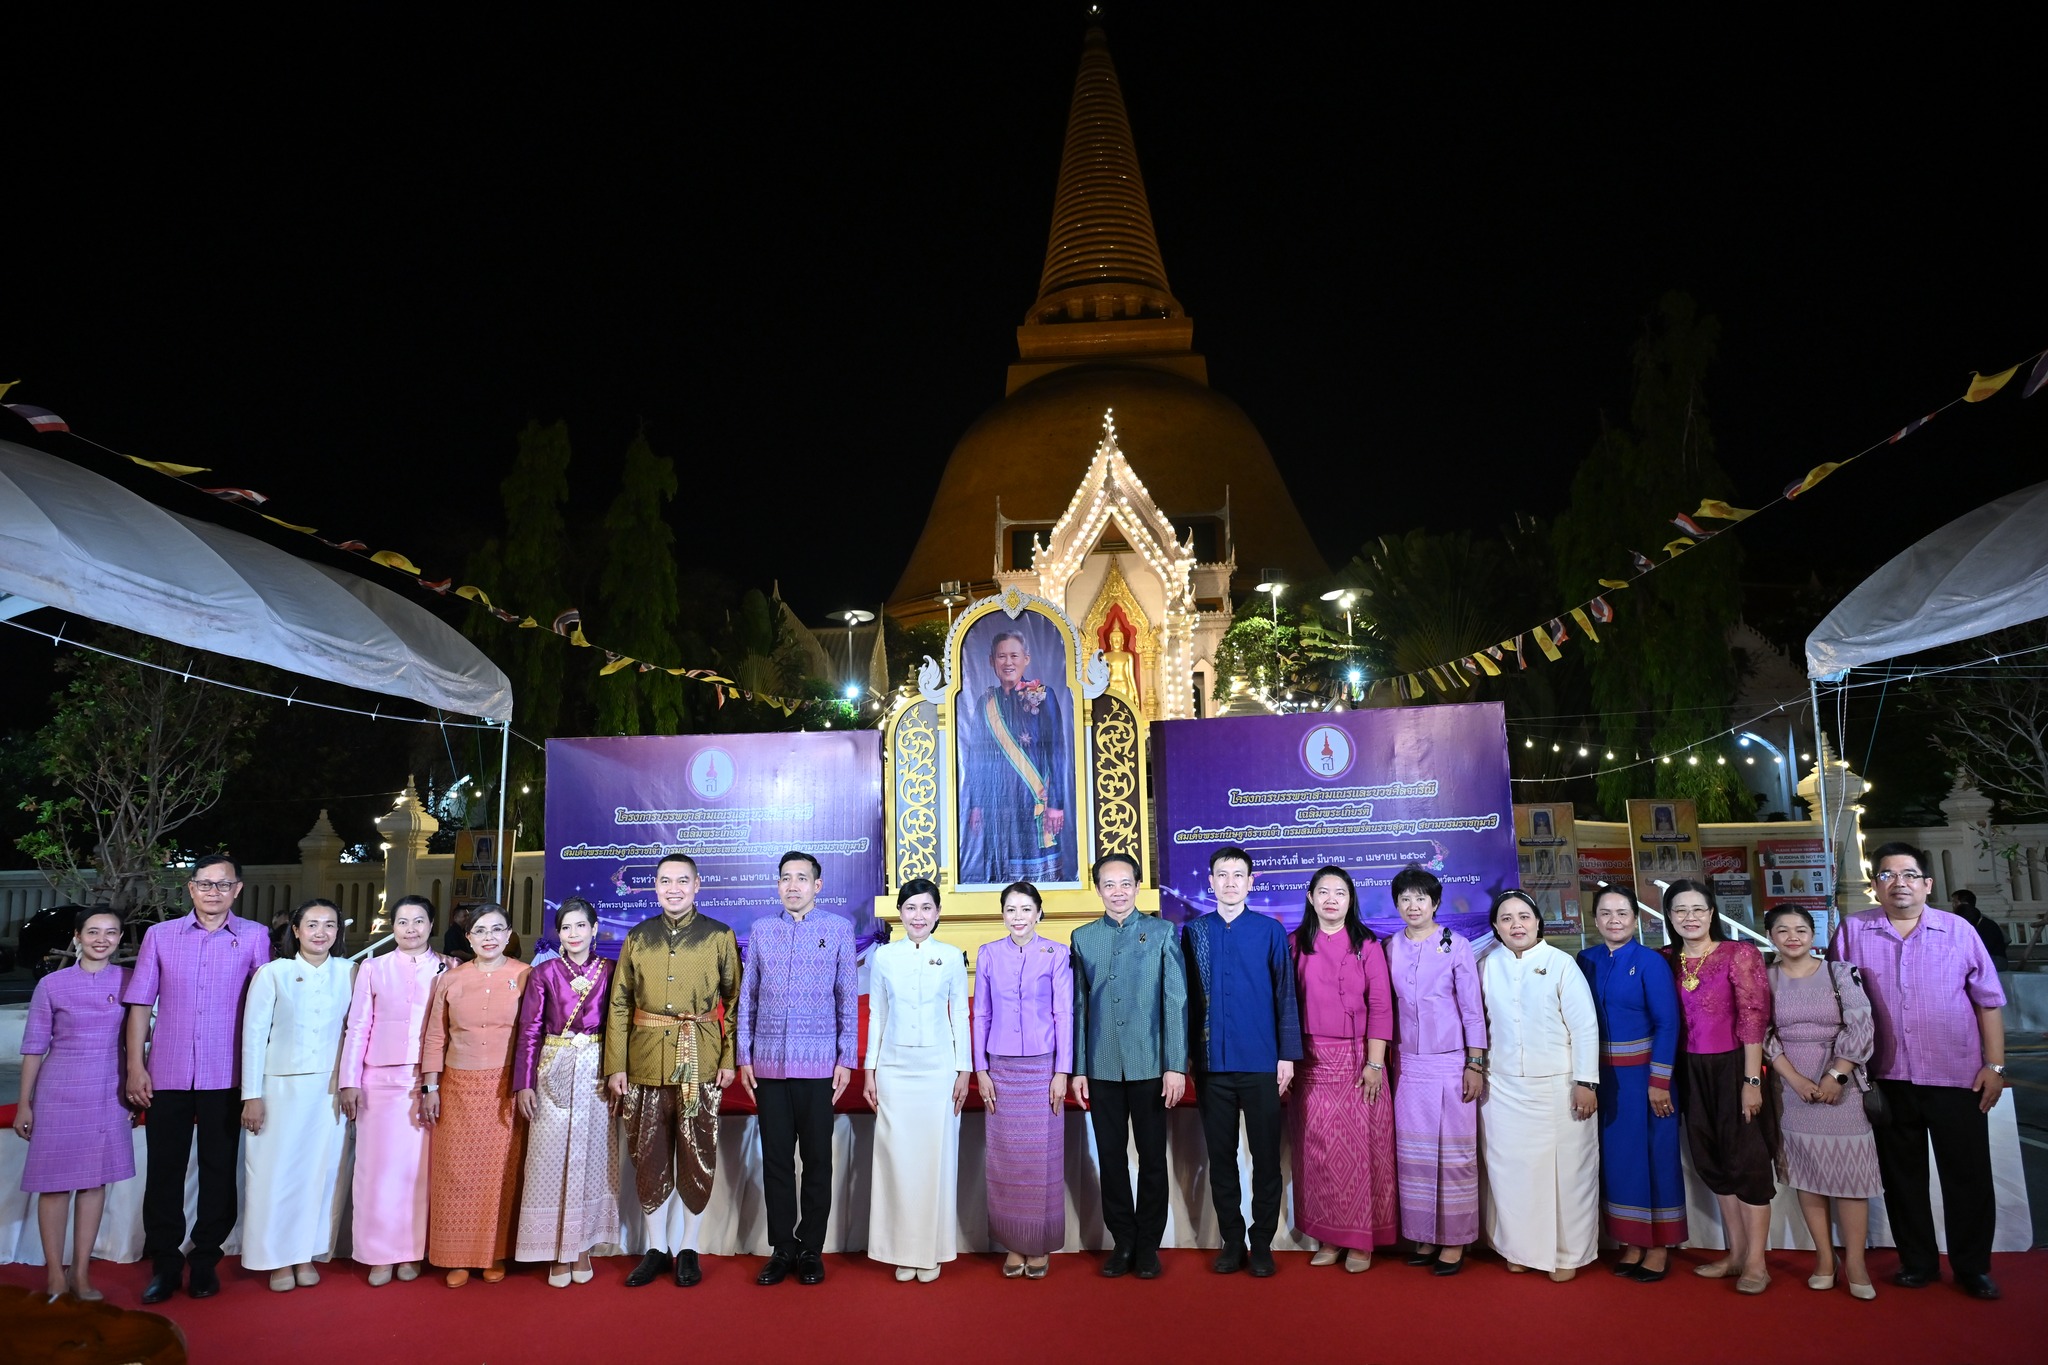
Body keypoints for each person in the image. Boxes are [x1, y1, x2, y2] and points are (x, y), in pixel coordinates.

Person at [1835, 841, 2008, 1300]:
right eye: (1888, 875)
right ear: (1876, 885)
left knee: (1967, 1175)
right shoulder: (1853, 931)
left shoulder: (1958, 931)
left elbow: (1989, 1003)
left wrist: (1994, 1066)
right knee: (1901, 1175)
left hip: (1957, 1076)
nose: (1899, 884)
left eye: (1909, 875)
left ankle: (1973, 1268)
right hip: (1887, 1077)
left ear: (1927, 884)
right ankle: (1918, 1262)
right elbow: (1837, 999)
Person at [122, 853, 272, 1304]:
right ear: (190, 888)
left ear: (237, 890)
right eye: (205, 884)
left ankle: (205, 1260)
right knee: (164, 1171)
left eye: (223, 884)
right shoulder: (160, 936)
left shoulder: (254, 938)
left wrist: (256, 1084)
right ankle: (165, 1264)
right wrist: (135, 1065)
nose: (214, 892)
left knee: (219, 1170)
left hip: (227, 1076)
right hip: (165, 1074)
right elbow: (140, 1005)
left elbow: (264, 1010)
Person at [605, 852, 740, 1289]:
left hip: (699, 1061)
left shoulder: (719, 937)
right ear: (656, 887)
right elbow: (620, 1003)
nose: (674, 888)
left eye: (683, 881)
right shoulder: (638, 938)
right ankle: (656, 1248)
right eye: (666, 881)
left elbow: (734, 1003)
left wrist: (727, 1058)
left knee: (696, 1153)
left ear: (698, 885)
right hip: (644, 1062)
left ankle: (688, 1248)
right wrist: (616, 1065)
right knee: (649, 1156)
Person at [738, 850, 858, 1287]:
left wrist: (847, 1058)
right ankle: (782, 1247)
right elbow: (746, 997)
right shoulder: (762, 931)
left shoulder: (839, 929)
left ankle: (811, 1248)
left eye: (801, 879)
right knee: (775, 1162)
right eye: (785, 878)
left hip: (819, 1064)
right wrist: (744, 1056)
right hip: (769, 1065)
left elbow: (847, 997)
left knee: (817, 1161)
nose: (793, 886)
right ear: (778, 885)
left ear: (817, 885)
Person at [1180, 845, 1301, 1278]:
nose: (1230, 882)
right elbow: (1186, 1002)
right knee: (1222, 1156)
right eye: (1222, 875)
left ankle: (1263, 1241)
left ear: (1251, 883)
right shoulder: (1194, 933)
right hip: (1212, 1065)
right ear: (1210, 882)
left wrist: (1287, 1055)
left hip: (1261, 1062)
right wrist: (1186, 1057)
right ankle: (1232, 1240)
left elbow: (1286, 994)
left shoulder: (1270, 931)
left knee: (1267, 1157)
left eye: (1238, 875)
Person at [1069, 852, 1187, 1280]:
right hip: (1101, 1067)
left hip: (1151, 1065)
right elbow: (1079, 1007)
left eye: (1125, 884)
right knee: (1112, 1158)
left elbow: (1175, 1002)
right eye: (1108, 885)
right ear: (1098, 889)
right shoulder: (1083, 938)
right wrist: (1078, 1067)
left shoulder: (1161, 932)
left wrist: (1175, 1065)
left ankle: (1148, 1245)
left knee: (1153, 1158)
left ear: (1138, 887)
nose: (1117, 892)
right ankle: (1123, 1241)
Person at [1479, 889, 1601, 1281]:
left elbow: (1584, 1027)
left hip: (1559, 1086)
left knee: (1568, 1174)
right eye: (1507, 918)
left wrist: (1585, 1081)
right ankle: (1521, 1250)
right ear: (1495, 927)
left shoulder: (1561, 963)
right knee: (1512, 1174)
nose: (1516, 925)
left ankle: (1568, 1255)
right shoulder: (1486, 965)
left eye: (1524, 917)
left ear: (1537, 922)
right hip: (1502, 1088)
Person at [12, 908, 131, 1301]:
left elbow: (138, 1040)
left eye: (110, 933)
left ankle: (81, 1273)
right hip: (59, 1090)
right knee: (55, 1185)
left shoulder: (130, 981)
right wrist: (24, 1104)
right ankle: (54, 1274)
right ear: (77, 937)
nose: (102, 939)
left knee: (94, 1182)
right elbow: (33, 1047)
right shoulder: (52, 985)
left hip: (109, 1090)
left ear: (119, 939)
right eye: (93, 932)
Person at [1665, 878, 1777, 1294]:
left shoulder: (1738, 954)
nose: (1690, 917)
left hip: (1734, 1067)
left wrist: (1752, 1080)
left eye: (1698, 909)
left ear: (1712, 913)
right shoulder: (1670, 961)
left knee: (1746, 1159)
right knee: (1711, 1159)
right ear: (1670, 917)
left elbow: (1753, 1018)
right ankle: (1734, 1253)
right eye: (1680, 910)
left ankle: (1757, 1263)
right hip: (1689, 1071)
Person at [1764, 905, 1881, 1301]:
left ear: (1814, 934)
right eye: (1783, 930)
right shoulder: (1765, 979)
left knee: (1850, 1178)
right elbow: (1762, 1034)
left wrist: (1837, 1074)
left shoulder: (1839, 972)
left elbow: (1861, 1023)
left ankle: (1857, 1264)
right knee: (1807, 1175)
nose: (1792, 936)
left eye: (1801, 929)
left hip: (1841, 1086)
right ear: (1770, 936)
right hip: (1792, 1088)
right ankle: (1824, 1259)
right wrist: (1793, 1079)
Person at [239, 898, 356, 1292]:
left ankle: (307, 1254)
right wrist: (251, 1095)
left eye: (329, 925)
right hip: (279, 1087)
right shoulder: (274, 973)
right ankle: (275, 1258)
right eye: (312, 925)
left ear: (338, 932)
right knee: (274, 1175)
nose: (320, 932)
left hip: (329, 1091)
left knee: (320, 1175)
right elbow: (253, 1037)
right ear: (295, 930)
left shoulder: (351, 972)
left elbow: (356, 1034)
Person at [338, 893, 451, 1286]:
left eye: (418, 921)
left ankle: (411, 1252)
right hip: (379, 1081)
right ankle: (378, 1254)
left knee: (418, 1172)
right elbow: (357, 1028)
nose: (410, 929)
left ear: (431, 926)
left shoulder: (447, 968)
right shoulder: (373, 968)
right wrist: (349, 1080)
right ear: (393, 927)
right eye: (402, 922)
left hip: (428, 1081)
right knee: (376, 1171)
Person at [1288, 865, 1395, 1273]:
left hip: (1359, 1063)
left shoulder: (1367, 945)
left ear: (1351, 901)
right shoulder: (1295, 944)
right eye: (1324, 892)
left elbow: (1382, 1007)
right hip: (1310, 1062)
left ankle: (1361, 1242)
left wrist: (1374, 1062)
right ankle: (1328, 1237)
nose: (1332, 899)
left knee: (1361, 1151)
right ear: (1311, 897)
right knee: (1317, 1154)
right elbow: (1284, 1007)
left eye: (1341, 893)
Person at [419, 903, 532, 1287]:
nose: (489, 938)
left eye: (497, 930)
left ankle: (494, 1254)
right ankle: (458, 1256)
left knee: (499, 1174)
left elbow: (532, 1037)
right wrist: (430, 1086)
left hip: (505, 1086)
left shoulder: (525, 975)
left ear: (509, 934)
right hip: (457, 1086)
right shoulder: (451, 979)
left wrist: (525, 1084)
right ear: (468, 937)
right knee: (458, 1174)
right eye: (480, 931)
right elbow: (436, 1035)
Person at [864, 879, 971, 1282]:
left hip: (939, 1070)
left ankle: (932, 1250)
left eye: (927, 908)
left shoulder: (950, 957)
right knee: (898, 1162)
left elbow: (960, 1014)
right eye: (911, 908)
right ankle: (901, 1250)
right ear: (900, 914)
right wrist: (870, 1071)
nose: (919, 916)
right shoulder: (885, 958)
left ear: (938, 913)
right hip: (894, 1070)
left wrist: (964, 1069)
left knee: (935, 1159)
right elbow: (878, 1015)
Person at [1576, 885, 1685, 1282]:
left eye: (1622, 913)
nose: (1613, 920)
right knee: (1619, 1161)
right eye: (1605, 913)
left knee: (1655, 1157)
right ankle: (1630, 1241)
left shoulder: (1651, 962)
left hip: (1647, 1078)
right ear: (1595, 918)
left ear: (1636, 919)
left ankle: (1658, 1245)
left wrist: (1660, 1081)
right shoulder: (1584, 960)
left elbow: (1668, 1023)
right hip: (1602, 1079)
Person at [1382, 865, 1487, 1274]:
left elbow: (1472, 1011)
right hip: (1408, 1065)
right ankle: (1424, 1235)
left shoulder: (1456, 945)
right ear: (1396, 903)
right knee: (1415, 1157)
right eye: (1405, 898)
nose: (1413, 905)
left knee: (1455, 1156)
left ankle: (1456, 1240)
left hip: (1451, 1063)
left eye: (1421, 898)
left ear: (1436, 902)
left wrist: (1475, 1063)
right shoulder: (1390, 946)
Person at [512, 898, 617, 1288]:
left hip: (596, 1070)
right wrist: (523, 1082)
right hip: (553, 1068)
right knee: (548, 1157)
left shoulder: (610, 971)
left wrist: (616, 1073)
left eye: (580, 926)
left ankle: (582, 1244)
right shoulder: (545, 974)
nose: (573, 934)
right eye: (566, 928)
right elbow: (528, 1031)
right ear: (559, 933)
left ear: (595, 928)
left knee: (593, 1156)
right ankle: (555, 1248)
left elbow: (619, 1026)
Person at [973, 881, 1074, 1278]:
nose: (1018, 917)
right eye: (1011, 910)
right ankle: (1014, 1244)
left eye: (1025, 909)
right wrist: (981, 1069)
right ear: (1003, 914)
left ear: (1039, 913)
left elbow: (1063, 1014)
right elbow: (980, 1014)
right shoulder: (988, 955)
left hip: (1042, 1068)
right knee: (1007, 1160)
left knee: (1042, 1161)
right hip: (1000, 1067)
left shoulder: (1056, 953)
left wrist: (1061, 1071)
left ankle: (1039, 1244)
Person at [960, 629, 1074, 883]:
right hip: (998, 804)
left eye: (1014, 655)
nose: (1008, 662)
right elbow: (975, 758)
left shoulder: (1044, 696)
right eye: (1001, 656)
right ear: (992, 661)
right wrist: (976, 804)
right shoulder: (985, 703)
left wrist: (1056, 803)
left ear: (1026, 659)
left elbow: (1056, 750)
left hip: (1036, 799)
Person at [1949, 889, 2009, 966]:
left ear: (1965, 904)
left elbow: (1982, 950)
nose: (1953, 905)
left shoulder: (1985, 923)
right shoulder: (1975, 918)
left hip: (1994, 959)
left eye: (1955, 902)